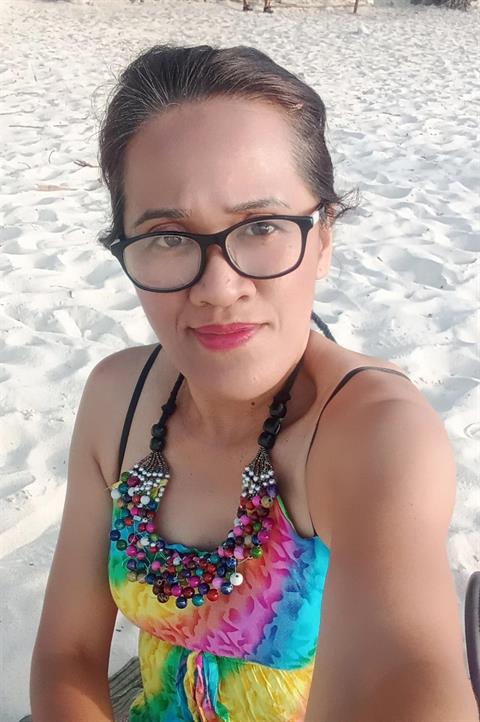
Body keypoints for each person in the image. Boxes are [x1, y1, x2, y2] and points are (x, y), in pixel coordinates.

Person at [29, 44, 478, 722]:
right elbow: (66, 653)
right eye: (168, 237)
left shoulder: (374, 433)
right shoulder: (117, 399)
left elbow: (407, 673)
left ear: (323, 237)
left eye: (261, 226)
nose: (218, 288)